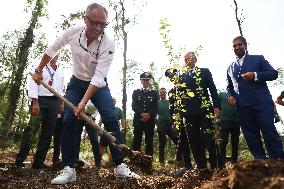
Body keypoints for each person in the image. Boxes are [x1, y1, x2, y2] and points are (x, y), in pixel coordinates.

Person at [32, 3, 140, 184]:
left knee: (110, 117)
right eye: (94, 23)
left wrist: (83, 102)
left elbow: (98, 78)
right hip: (76, 83)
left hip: (98, 86)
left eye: (103, 24)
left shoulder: (109, 44)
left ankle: (120, 165)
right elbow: (53, 48)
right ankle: (69, 168)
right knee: (68, 119)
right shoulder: (73, 32)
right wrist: (39, 69)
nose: (98, 28)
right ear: (85, 19)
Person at [226, 36, 284, 160]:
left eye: (239, 44)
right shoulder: (230, 67)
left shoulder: (258, 59)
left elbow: (273, 74)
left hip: (262, 103)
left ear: (245, 45)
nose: (237, 47)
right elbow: (229, 87)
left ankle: (278, 162)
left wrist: (255, 75)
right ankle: (260, 163)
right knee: (251, 136)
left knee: (269, 132)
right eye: (234, 46)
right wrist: (229, 95)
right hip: (242, 107)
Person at [15, 54, 64, 169]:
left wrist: (61, 103)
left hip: (55, 102)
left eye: (57, 53)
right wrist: (35, 102)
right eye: (53, 53)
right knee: (32, 129)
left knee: (48, 132)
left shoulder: (60, 71)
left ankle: (38, 161)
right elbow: (33, 84)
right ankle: (19, 160)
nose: (55, 56)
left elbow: (61, 89)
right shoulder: (40, 67)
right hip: (40, 100)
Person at [179, 51, 221, 172]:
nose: (187, 61)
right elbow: (180, 96)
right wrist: (180, 113)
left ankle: (215, 166)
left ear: (195, 59)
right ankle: (202, 167)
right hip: (188, 113)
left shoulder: (204, 72)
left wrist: (217, 106)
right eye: (185, 59)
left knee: (209, 138)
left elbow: (212, 90)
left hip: (204, 110)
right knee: (193, 140)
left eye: (190, 58)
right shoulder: (182, 76)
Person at [165, 68, 192, 176]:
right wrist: (174, 122)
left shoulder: (187, 88)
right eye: (170, 77)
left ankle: (200, 165)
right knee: (183, 142)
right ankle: (187, 165)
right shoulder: (171, 92)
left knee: (195, 141)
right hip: (179, 121)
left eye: (174, 76)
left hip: (191, 119)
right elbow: (172, 109)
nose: (172, 78)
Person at [132, 72, 158, 156]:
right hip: (138, 120)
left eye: (147, 80)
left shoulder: (154, 93)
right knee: (136, 140)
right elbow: (134, 106)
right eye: (144, 80)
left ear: (149, 81)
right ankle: (134, 161)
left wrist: (149, 114)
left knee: (149, 141)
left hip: (150, 121)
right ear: (141, 81)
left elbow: (155, 106)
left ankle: (148, 162)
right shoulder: (136, 92)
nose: (146, 82)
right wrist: (142, 114)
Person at [74, 101, 101, 168]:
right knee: (76, 139)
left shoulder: (95, 93)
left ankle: (98, 163)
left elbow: (98, 107)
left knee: (94, 139)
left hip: (91, 117)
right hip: (79, 115)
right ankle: (75, 161)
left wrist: (91, 117)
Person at [217, 91, 240, 167]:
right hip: (223, 121)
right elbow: (216, 105)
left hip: (236, 121)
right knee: (223, 142)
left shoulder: (238, 93)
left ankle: (234, 162)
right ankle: (221, 164)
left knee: (235, 142)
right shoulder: (222, 94)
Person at [157, 87, 179, 165]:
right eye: (161, 92)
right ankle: (161, 162)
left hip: (171, 124)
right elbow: (153, 113)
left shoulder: (170, 102)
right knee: (162, 143)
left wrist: (175, 123)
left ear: (166, 93)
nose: (162, 93)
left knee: (177, 140)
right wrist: (157, 123)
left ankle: (179, 160)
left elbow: (175, 112)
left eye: (164, 92)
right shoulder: (157, 103)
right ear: (159, 93)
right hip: (161, 125)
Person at [99, 97, 125, 163]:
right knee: (102, 145)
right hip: (105, 131)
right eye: (111, 101)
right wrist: (98, 128)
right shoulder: (105, 110)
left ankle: (110, 161)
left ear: (115, 102)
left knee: (115, 146)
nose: (112, 102)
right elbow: (101, 120)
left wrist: (122, 129)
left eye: (114, 101)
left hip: (116, 132)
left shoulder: (119, 110)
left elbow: (122, 121)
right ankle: (98, 161)